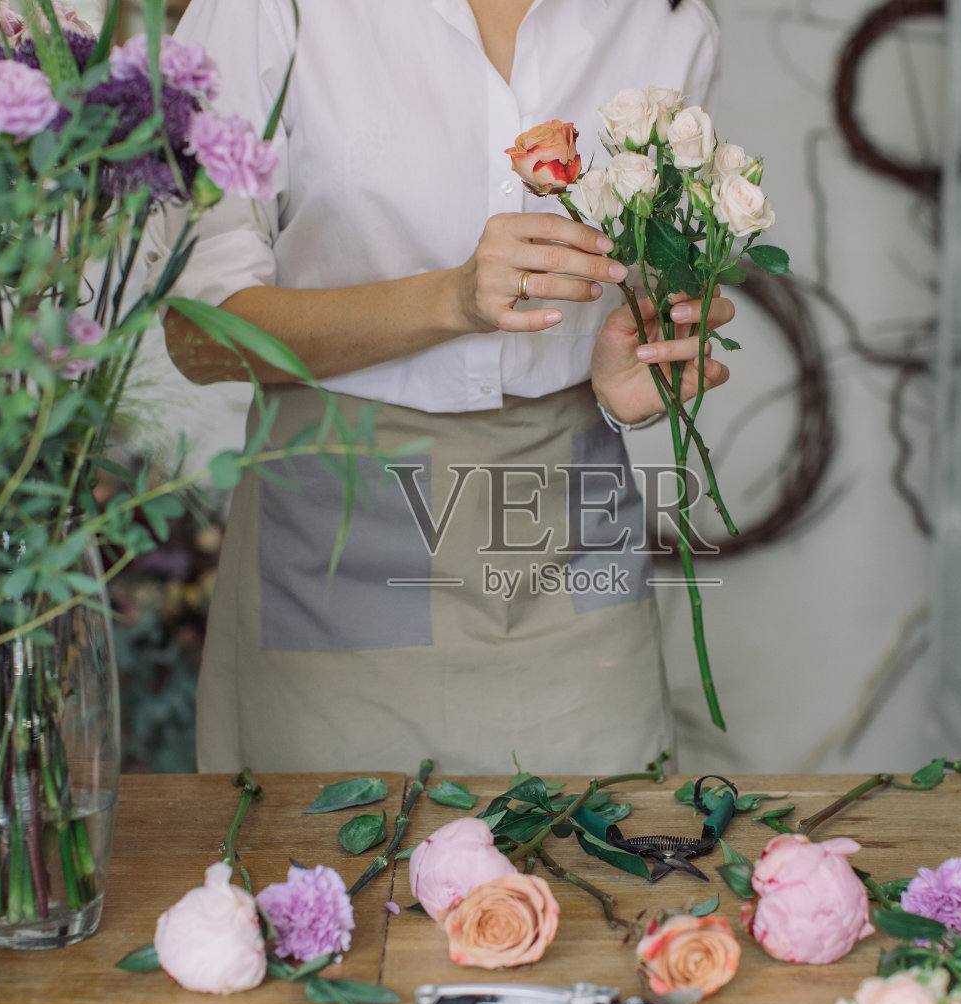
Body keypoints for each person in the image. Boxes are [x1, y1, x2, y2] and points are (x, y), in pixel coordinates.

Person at [149, 0, 734, 774]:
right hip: (342, 516)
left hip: (567, 511)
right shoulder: (271, 10)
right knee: (346, 872)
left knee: (603, 863)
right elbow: (199, 332)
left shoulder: (670, 23)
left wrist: (619, 369)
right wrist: (449, 300)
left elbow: (628, 292)